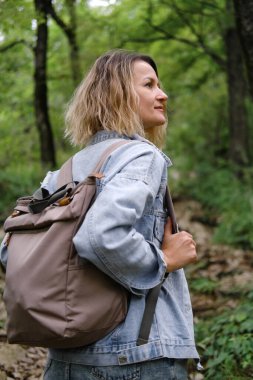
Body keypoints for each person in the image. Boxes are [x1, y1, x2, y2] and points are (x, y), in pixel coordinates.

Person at [1, 50, 200, 379]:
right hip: (134, 355)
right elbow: (100, 234)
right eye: (149, 85)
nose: (163, 94)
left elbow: (12, 251)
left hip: (65, 358)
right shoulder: (140, 156)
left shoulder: (64, 172)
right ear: (117, 94)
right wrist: (164, 260)